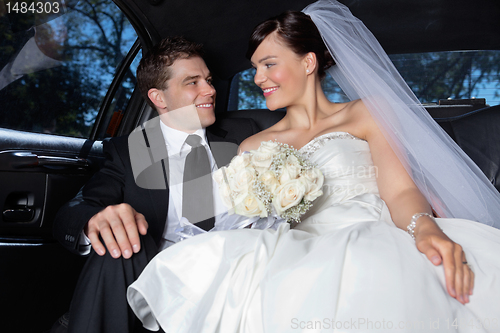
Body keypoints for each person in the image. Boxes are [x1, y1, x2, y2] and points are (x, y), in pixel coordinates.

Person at [127, 1, 500, 332]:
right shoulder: (254, 146)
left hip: (373, 232)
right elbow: (243, 220)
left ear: (308, 62)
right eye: (255, 68)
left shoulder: (366, 113)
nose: (258, 78)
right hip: (294, 248)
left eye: (269, 64)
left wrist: (425, 229)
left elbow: (400, 190)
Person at [51, 37, 258, 333]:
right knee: (119, 243)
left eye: (209, 81)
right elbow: (74, 210)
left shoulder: (245, 133)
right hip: (161, 283)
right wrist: (96, 221)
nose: (210, 90)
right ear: (159, 98)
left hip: (237, 272)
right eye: (192, 82)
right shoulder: (127, 152)